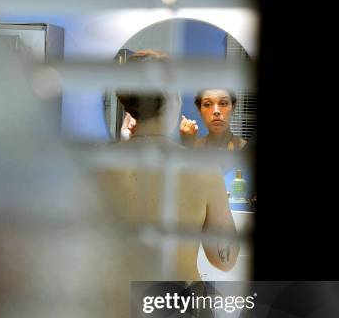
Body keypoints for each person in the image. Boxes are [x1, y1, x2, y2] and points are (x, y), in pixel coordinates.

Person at [99, 51, 239, 283]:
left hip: (116, 309)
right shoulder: (203, 171)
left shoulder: (96, 166)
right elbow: (224, 260)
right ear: (172, 98)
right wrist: (221, 206)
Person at [180, 88, 247, 151]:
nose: (216, 111)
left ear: (233, 108)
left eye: (223, 103)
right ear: (199, 110)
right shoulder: (193, 148)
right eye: (208, 104)